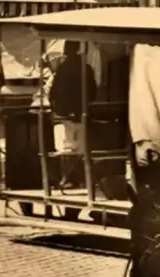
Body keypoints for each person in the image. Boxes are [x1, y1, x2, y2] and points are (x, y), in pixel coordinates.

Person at [48, 41, 97, 190]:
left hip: (64, 115)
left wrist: (56, 108)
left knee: (66, 149)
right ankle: (81, 179)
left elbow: (53, 93)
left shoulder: (62, 69)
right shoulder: (86, 68)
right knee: (81, 150)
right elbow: (92, 91)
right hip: (81, 113)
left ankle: (66, 178)